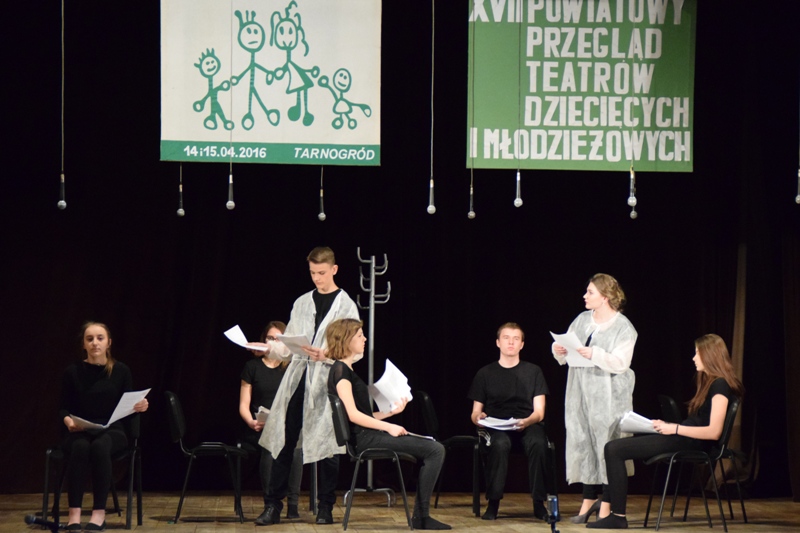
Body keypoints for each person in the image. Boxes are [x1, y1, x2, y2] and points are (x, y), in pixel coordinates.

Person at [587, 334, 745, 529]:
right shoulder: (710, 383)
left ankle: (618, 516)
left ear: (710, 355)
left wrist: (674, 428)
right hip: (685, 437)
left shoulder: (720, 384)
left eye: (698, 353)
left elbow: (714, 432)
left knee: (613, 449)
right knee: (614, 447)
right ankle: (615, 513)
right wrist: (668, 426)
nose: (694, 358)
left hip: (692, 442)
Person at [248, 247, 359, 526]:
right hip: (298, 380)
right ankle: (273, 505)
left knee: (329, 446)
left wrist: (327, 354)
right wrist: (269, 348)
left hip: (328, 381)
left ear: (334, 269)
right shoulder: (301, 303)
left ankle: (325, 507)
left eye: (321, 273)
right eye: (312, 273)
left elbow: (354, 349)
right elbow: (289, 346)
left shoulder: (346, 305)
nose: (317, 278)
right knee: (285, 442)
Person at [327, 318, 452, 530]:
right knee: (436, 450)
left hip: (368, 435)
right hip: (364, 439)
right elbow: (353, 415)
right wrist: (389, 427)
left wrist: (391, 413)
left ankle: (422, 515)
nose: (364, 339)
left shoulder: (346, 370)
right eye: (360, 335)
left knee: (433, 447)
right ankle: (421, 516)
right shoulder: (341, 371)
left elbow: (364, 415)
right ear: (346, 340)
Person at [551, 273, 637, 524]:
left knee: (608, 444)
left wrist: (594, 354)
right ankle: (588, 499)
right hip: (580, 392)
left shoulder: (624, 327)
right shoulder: (582, 319)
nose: (585, 296)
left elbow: (621, 362)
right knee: (583, 441)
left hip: (610, 395)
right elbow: (566, 347)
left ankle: (607, 502)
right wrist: (559, 350)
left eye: (590, 292)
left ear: (605, 296)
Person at [59, 322, 149, 532]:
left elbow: (129, 404)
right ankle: (74, 514)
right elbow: (63, 407)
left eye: (100, 338)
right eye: (89, 339)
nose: (95, 343)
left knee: (100, 446)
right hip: (81, 428)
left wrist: (141, 405)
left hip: (112, 429)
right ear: (83, 344)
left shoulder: (120, 370)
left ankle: (99, 514)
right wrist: (69, 422)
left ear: (109, 343)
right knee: (80, 447)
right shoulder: (72, 371)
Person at [468, 322, 551, 521]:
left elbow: (540, 412)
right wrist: (478, 418)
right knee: (500, 444)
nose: (511, 342)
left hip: (526, 422)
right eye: (506, 338)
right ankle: (493, 503)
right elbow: (475, 412)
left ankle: (539, 503)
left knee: (538, 442)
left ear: (522, 344)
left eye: (516, 339)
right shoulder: (485, 373)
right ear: (498, 342)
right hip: (496, 425)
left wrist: (528, 421)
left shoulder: (533, 372)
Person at [239, 320, 304, 520]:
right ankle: (270, 503)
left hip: (286, 426)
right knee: (269, 446)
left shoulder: (291, 367)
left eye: (278, 339)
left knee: (296, 447)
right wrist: (251, 421)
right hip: (261, 426)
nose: (274, 342)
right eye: (270, 338)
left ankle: (292, 504)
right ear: (263, 340)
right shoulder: (252, 367)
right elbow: (243, 405)